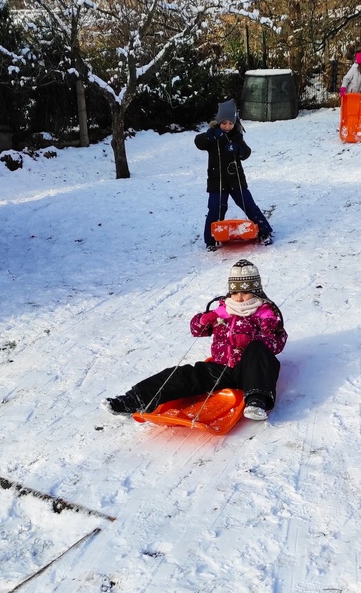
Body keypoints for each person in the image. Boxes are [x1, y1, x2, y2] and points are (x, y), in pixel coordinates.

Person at [101, 259, 288, 421]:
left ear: (255, 291)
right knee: (183, 375)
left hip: (249, 371)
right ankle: (134, 399)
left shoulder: (265, 313)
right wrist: (204, 319)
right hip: (221, 368)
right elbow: (196, 330)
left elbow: (277, 342)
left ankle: (256, 400)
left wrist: (251, 340)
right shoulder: (222, 310)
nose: (239, 298)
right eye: (235, 292)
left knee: (257, 348)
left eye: (245, 292)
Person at [194, 99, 274, 251]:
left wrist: (238, 150)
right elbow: (199, 142)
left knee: (249, 205)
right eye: (224, 123)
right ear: (218, 121)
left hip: (236, 180)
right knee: (215, 209)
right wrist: (209, 136)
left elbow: (246, 152)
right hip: (217, 181)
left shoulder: (236, 136)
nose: (227, 126)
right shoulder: (212, 136)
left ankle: (265, 232)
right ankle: (211, 239)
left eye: (230, 123)